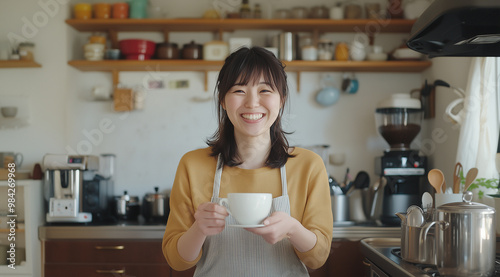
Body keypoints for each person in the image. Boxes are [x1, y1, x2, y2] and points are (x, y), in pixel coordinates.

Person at [162, 46, 333, 276]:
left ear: (281, 99)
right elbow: (177, 261)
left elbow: (318, 258)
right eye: (239, 90)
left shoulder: (308, 166)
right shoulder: (193, 165)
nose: (252, 103)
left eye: (265, 90)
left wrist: (293, 229)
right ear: (223, 100)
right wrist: (198, 229)